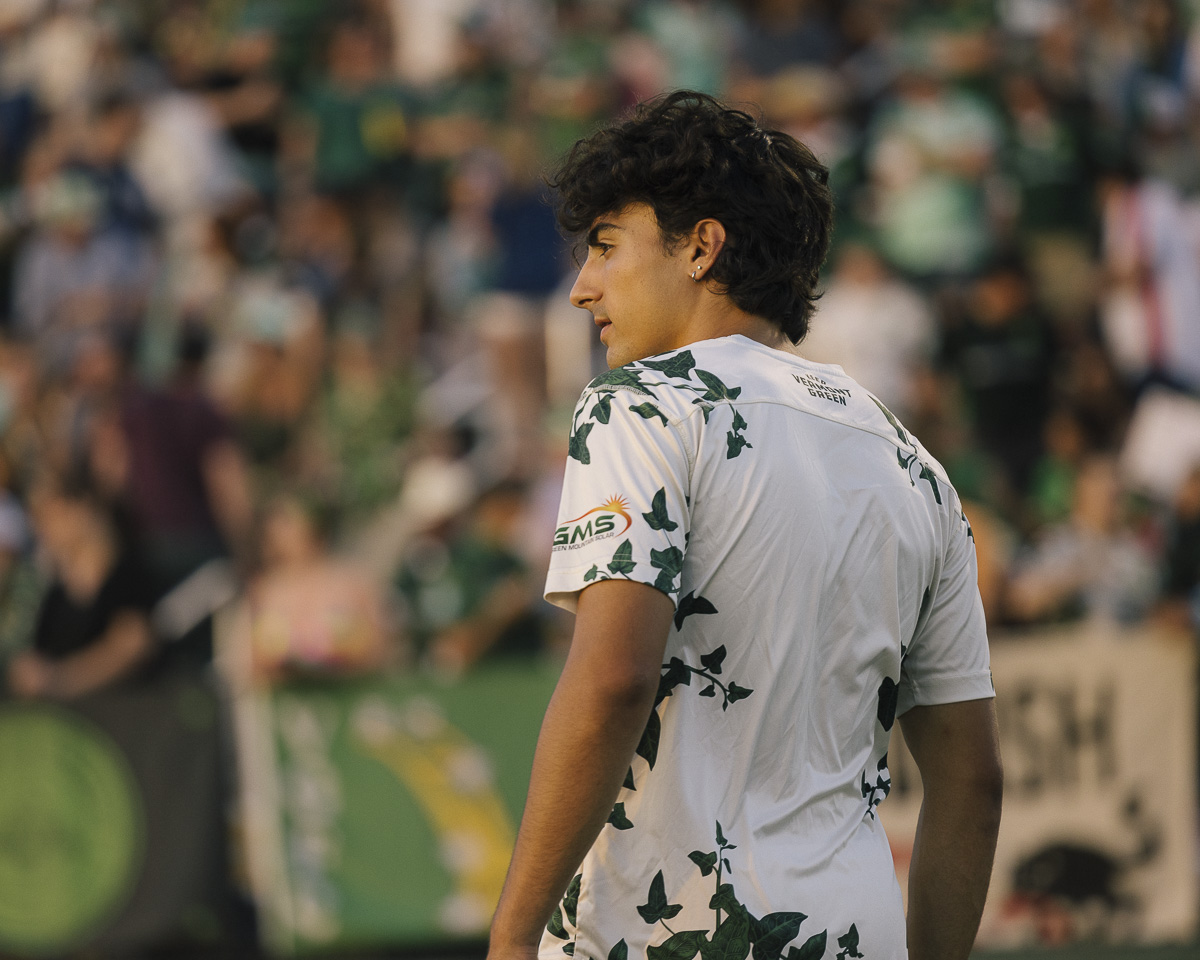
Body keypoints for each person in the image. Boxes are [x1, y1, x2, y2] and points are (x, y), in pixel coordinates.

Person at [486, 92, 1002, 960]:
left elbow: (613, 679)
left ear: (701, 246)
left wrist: (510, 937)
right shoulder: (915, 466)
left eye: (607, 246)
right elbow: (973, 782)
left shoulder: (640, 405)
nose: (581, 287)